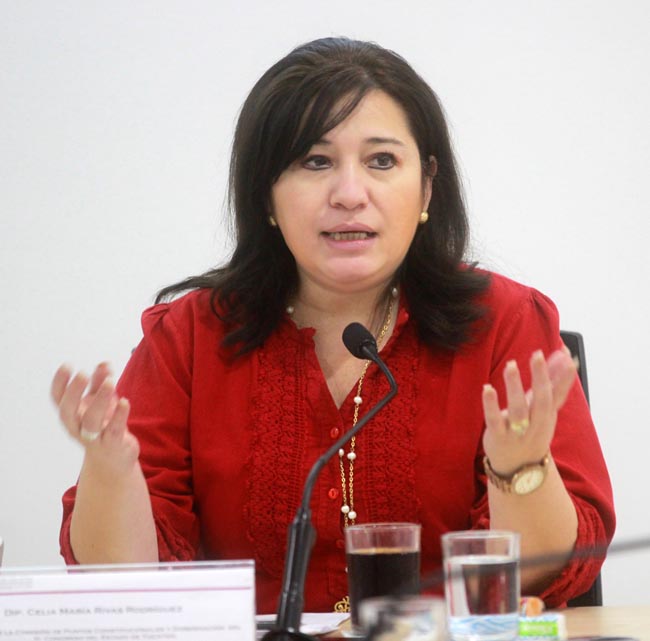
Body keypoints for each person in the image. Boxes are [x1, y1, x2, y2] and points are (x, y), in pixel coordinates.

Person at [51, 37, 615, 613]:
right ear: (266, 195)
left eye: (381, 161)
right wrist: (111, 472)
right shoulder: (190, 336)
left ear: (426, 185)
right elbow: (125, 586)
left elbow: (540, 577)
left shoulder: (505, 322)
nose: (349, 194)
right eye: (315, 162)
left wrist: (519, 469)